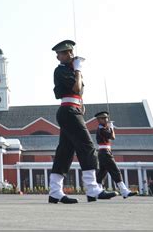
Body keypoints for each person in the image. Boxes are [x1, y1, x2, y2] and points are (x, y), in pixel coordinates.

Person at [48, 40, 117, 204]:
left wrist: (80, 103)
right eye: (66, 53)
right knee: (87, 146)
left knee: (65, 152)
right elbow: (77, 89)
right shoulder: (61, 71)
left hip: (73, 110)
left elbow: (79, 93)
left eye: (71, 52)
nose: (70, 55)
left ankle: (55, 191)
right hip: (68, 111)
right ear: (59, 56)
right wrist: (78, 69)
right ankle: (93, 189)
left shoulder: (71, 70)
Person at [94, 111, 137, 198]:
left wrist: (109, 128)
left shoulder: (103, 128)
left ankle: (98, 191)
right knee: (115, 170)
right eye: (103, 118)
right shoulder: (102, 129)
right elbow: (113, 137)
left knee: (102, 172)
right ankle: (124, 191)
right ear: (98, 120)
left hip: (104, 152)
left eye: (106, 118)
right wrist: (112, 128)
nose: (105, 120)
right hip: (105, 152)